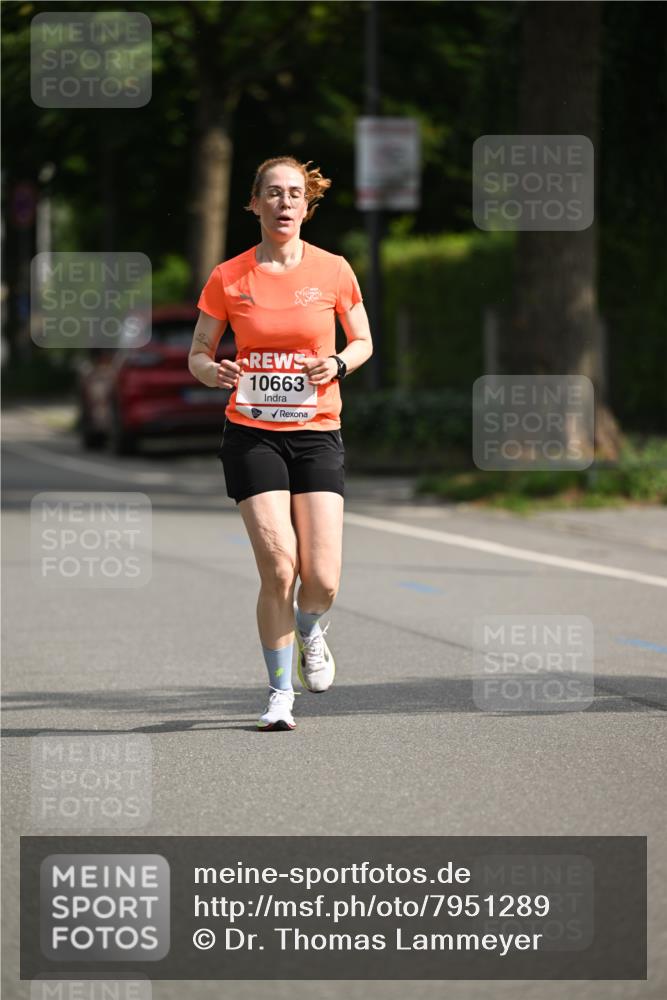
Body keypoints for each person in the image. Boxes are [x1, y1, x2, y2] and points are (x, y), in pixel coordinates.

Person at [188, 156, 373, 731]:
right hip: (252, 433)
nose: (284, 202)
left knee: (322, 579)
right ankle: (279, 694)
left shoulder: (334, 270)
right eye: (273, 193)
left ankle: (311, 628)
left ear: (306, 205)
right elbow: (197, 351)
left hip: (317, 433)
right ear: (255, 204)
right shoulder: (228, 277)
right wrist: (209, 370)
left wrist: (338, 363)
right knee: (279, 566)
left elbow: (364, 339)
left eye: (294, 193)